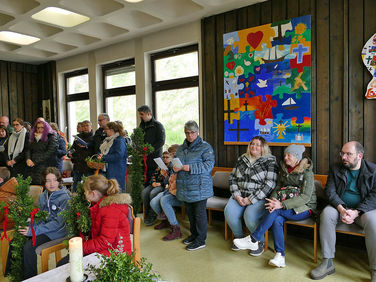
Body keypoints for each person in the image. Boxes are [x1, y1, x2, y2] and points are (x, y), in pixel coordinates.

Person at [233, 144, 316, 267]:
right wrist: (273, 201)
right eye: (285, 155)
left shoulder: (307, 172)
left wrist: (280, 205)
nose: (286, 158)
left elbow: (306, 197)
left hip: (305, 208)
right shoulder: (284, 170)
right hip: (284, 205)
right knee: (276, 218)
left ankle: (253, 239)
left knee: (276, 212)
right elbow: (278, 188)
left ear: (297, 157)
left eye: (289, 155)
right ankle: (280, 256)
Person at [310, 141, 376, 281]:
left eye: (348, 154)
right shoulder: (336, 168)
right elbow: (330, 191)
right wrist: (341, 209)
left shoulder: (373, 171)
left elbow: (374, 197)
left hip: (362, 211)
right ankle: (327, 262)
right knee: (327, 213)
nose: (343, 157)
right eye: (342, 153)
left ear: (360, 156)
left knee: (373, 220)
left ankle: (375, 268)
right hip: (340, 208)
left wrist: (356, 212)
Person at [5, 167, 70, 279]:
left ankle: (30, 278)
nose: (51, 184)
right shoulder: (43, 196)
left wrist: (33, 231)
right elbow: (39, 216)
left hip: (57, 232)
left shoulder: (65, 198)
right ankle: (12, 274)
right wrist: (30, 225)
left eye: (54, 180)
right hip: (43, 228)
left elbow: (58, 224)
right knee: (15, 240)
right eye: (48, 181)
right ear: (43, 182)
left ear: (59, 181)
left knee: (29, 248)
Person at [57, 175, 132, 267]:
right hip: (105, 249)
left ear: (93, 193)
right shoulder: (98, 206)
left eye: (85, 191)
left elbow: (105, 241)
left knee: (65, 265)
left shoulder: (110, 210)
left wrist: (81, 248)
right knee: (64, 263)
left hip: (115, 254)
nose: (84, 194)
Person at [224, 136, 278, 251]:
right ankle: (240, 238)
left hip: (258, 197)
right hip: (240, 195)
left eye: (258, 145)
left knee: (249, 216)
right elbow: (232, 178)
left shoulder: (270, 161)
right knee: (229, 213)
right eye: (252, 144)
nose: (254, 146)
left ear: (263, 147)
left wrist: (250, 199)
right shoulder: (242, 159)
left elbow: (270, 184)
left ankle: (259, 242)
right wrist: (237, 195)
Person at [174, 120, 215, 251]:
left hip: (200, 187)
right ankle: (194, 235)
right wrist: (172, 167)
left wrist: (190, 168)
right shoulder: (181, 148)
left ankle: (200, 240)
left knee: (199, 214)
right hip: (185, 186)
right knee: (190, 214)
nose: (190, 135)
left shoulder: (205, 147)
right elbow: (175, 161)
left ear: (197, 132)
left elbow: (209, 166)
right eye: (187, 133)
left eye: (192, 133)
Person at [142, 151, 171, 226]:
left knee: (153, 193)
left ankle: (153, 214)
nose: (165, 159)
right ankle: (147, 211)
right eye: (163, 157)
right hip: (155, 184)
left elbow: (169, 181)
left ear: (171, 158)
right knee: (144, 192)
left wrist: (160, 183)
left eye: (167, 157)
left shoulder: (171, 167)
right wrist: (153, 182)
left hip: (163, 185)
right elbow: (153, 175)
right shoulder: (160, 166)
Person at [138, 105, 165, 184]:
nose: (140, 116)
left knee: (152, 183)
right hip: (143, 160)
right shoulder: (141, 125)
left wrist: (149, 150)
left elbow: (161, 141)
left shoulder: (158, 126)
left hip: (154, 160)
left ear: (148, 114)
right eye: (139, 114)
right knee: (144, 183)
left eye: (142, 114)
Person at [98, 122, 127, 191]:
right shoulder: (108, 140)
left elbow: (118, 155)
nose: (105, 131)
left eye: (106, 129)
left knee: (116, 192)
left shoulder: (119, 140)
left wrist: (103, 158)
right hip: (108, 170)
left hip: (116, 170)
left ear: (112, 130)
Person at [70, 120, 94, 192]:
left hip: (88, 166)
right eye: (83, 126)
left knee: (88, 187)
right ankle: (74, 201)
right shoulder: (78, 137)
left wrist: (86, 146)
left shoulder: (94, 138)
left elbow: (95, 151)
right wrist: (70, 153)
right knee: (75, 187)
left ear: (91, 127)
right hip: (78, 165)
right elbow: (73, 148)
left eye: (87, 125)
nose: (85, 127)